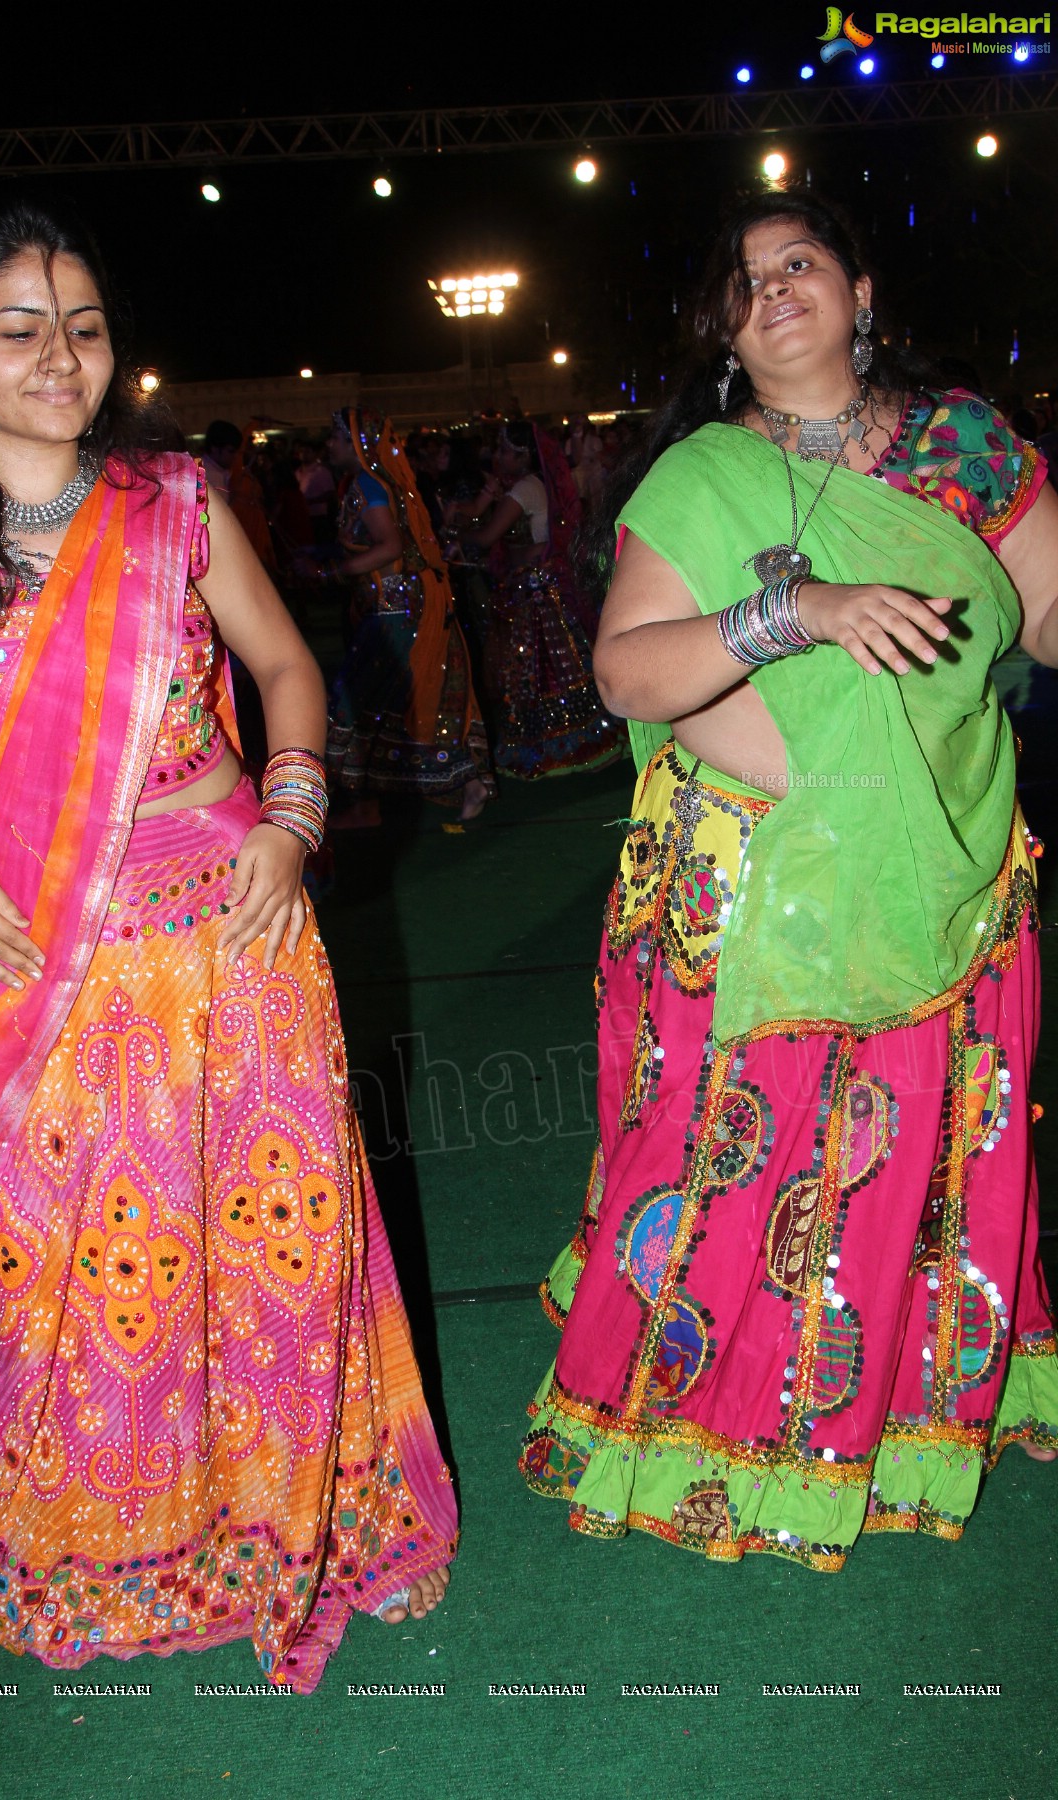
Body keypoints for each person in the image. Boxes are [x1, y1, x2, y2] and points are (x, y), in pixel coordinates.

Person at [0, 196, 454, 1691]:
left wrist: (292, 821)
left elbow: (288, 667)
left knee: (261, 1247)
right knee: (73, 1265)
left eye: (85, 328)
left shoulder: (174, 503)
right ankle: (100, 1532)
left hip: (229, 932)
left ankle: (277, 1517)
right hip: (32, 956)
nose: (61, 359)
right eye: (17, 330)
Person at [521, 188, 1058, 1568]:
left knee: (906, 1155)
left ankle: (870, 1431)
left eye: (801, 260)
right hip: (739, 871)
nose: (774, 288)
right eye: (744, 278)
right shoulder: (703, 475)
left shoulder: (967, 448)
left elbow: (1046, 612)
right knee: (722, 1155)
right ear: (721, 329)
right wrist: (795, 610)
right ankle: (685, 1423)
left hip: (938, 851)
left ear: (862, 292)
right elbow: (628, 669)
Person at [324, 408, 493, 825]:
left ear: (357, 445)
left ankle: (366, 804)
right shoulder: (378, 482)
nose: (329, 445)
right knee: (402, 702)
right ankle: (463, 781)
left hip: (395, 610)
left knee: (356, 702)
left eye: (335, 438)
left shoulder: (368, 484)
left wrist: (338, 571)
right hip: (396, 606)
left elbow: (391, 546)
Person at [454, 422, 623, 778]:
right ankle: (572, 740)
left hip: (534, 590)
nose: (497, 457)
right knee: (549, 671)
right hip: (535, 586)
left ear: (523, 455)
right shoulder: (526, 486)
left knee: (535, 673)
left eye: (504, 451)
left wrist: (459, 533)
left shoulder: (524, 489)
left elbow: (485, 536)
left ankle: (555, 745)